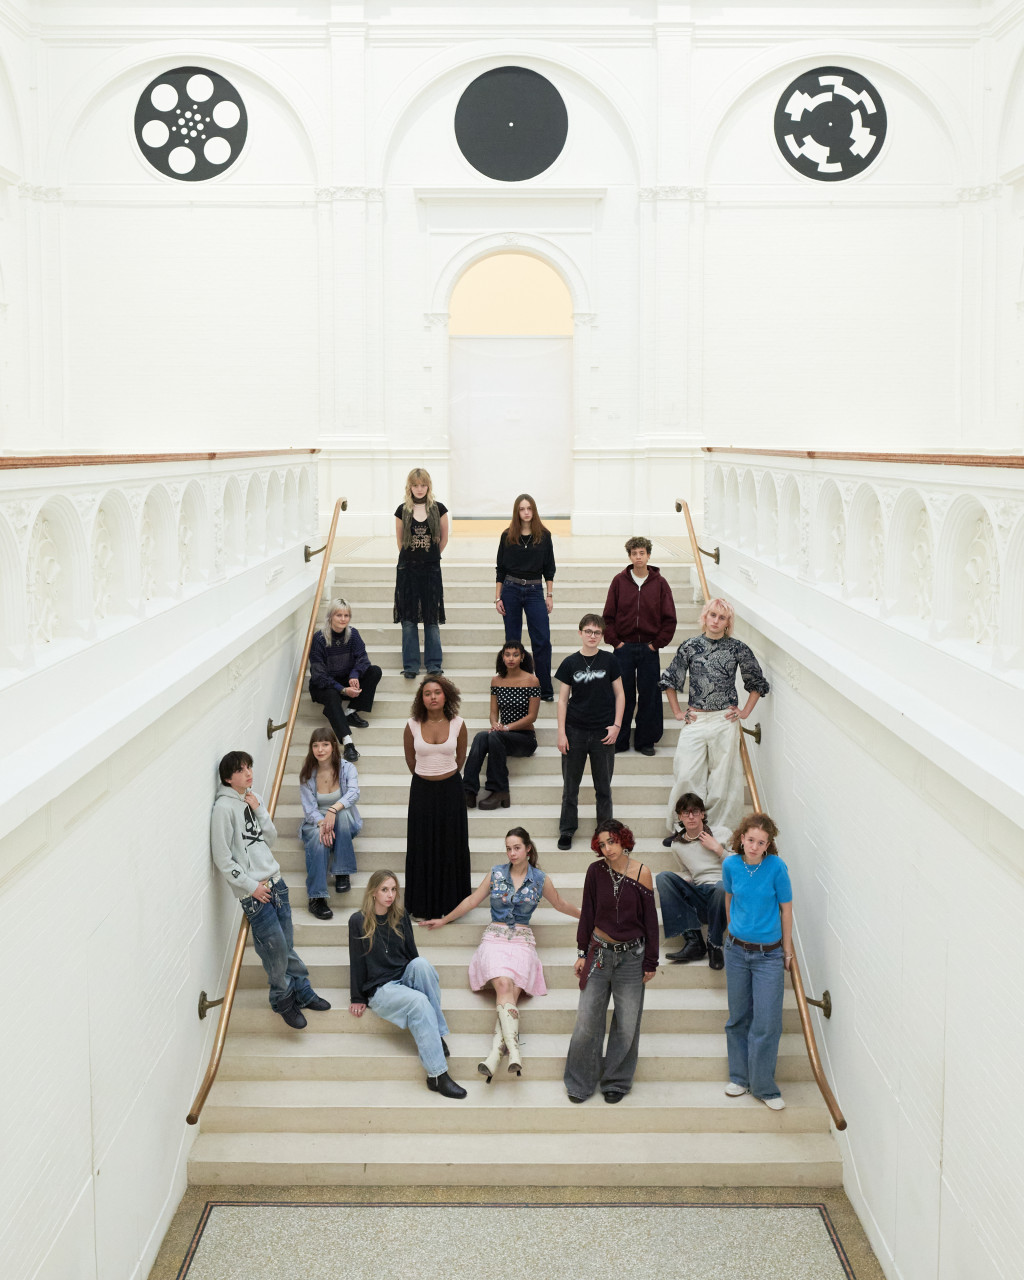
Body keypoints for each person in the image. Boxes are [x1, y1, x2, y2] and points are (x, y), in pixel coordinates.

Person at [422, 827, 580, 1080]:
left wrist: (589, 917)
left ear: (528, 848)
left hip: (522, 941)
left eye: (517, 847)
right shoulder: (496, 873)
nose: (512, 853)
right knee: (505, 984)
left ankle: (496, 1053)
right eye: (508, 848)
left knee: (507, 993)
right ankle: (514, 1051)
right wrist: (444, 920)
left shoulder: (539, 879)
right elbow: (473, 900)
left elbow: (560, 903)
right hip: (494, 938)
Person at [210, 750, 329, 1029]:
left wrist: (258, 809)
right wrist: (251, 887)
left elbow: (271, 839)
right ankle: (282, 999)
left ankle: (302, 990)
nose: (249, 772)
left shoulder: (254, 799)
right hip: (255, 892)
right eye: (241, 770)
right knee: (274, 949)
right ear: (228, 778)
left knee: (286, 944)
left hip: (276, 882)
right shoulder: (223, 810)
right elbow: (222, 858)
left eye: (249, 766)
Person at [349, 870, 467, 1098]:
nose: (390, 895)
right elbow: (356, 960)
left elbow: (413, 955)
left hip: (403, 975)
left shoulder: (400, 916)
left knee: (422, 964)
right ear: (373, 892)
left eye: (393, 889)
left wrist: (418, 974)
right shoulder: (358, 921)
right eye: (384, 890)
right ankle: (437, 1075)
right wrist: (357, 997)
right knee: (419, 1002)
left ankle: (436, 1034)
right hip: (382, 990)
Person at [564, 821, 659, 1104]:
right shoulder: (595, 871)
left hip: (632, 958)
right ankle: (580, 1081)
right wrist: (582, 952)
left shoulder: (642, 873)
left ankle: (616, 1081)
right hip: (599, 955)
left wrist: (650, 961)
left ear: (624, 840)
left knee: (627, 1023)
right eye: (602, 844)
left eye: (612, 842)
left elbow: (650, 922)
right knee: (586, 1021)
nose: (607, 849)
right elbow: (588, 913)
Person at [659, 597, 770, 835]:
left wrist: (745, 712)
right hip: (696, 720)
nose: (716, 621)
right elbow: (669, 679)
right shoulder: (690, 646)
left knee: (723, 782)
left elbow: (757, 682)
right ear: (705, 617)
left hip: (724, 720)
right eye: (712, 615)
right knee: (687, 775)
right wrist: (678, 712)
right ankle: (682, 829)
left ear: (728, 622)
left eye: (722, 617)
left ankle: (719, 832)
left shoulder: (738, 648)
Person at [722, 812, 793, 1111]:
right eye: (750, 840)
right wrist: (732, 931)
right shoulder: (730, 865)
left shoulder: (777, 868)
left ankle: (764, 1086)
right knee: (738, 1017)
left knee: (766, 1021)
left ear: (768, 845)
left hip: (769, 956)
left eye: (760, 842)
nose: (754, 846)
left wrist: (786, 952)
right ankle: (739, 1077)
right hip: (736, 952)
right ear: (742, 839)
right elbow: (729, 899)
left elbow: (786, 911)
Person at [554, 615, 625, 851]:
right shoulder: (569, 663)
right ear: (580, 633)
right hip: (574, 731)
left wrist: (616, 726)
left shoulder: (610, 661)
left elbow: (620, 695)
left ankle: (605, 833)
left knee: (603, 787)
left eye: (597, 632)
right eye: (588, 631)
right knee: (570, 787)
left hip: (603, 733)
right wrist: (561, 733)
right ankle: (566, 830)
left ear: (602, 635)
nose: (592, 636)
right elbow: (562, 700)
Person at [403, 675, 471, 918]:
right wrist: (427, 777)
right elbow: (411, 761)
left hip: (451, 790)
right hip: (422, 790)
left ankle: (452, 905)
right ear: (421, 698)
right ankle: (422, 905)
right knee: (422, 845)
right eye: (427, 693)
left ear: (446, 696)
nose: (433, 697)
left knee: (451, 845)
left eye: (437, 692)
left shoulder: (458, 723)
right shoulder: (411, 725)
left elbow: (460, 758)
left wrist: (444, 775)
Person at [602, 536, 677, 756]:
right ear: (630, 556)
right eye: (634, 553)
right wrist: (616, 642)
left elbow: (669, 619)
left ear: (649, 555)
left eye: (642, 553)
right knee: (621, 694)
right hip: (623, 649)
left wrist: (656, 645)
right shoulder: (619, 581)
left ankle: (646, 741)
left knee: (649, 695)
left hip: (648, 648)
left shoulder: (660, 583)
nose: (638, 557)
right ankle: (620, 739)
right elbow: (608, 616)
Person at [655, 792, 729, 969]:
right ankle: (694, 941)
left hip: (724, 895)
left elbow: (741, 867)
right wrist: (688, 880)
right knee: (663, 877)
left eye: (695, 812)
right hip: (700, 894)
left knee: (721, 887)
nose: (691, 817)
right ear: (679, 816)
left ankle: (715, 944)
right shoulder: (677, 845)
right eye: (685, 813)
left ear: (702, 814)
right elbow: (686, 870)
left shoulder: (722, 833)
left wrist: (718, 849)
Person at [463, 642, 540, 810]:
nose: (511, 658)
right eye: (507, 655)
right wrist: (495, 724)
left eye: (515, 655)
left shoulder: (532, 680)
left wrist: (506, 728)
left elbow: (532, 717)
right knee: (481, 737)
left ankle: (500, 790)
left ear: (522, 657)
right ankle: (468, 791)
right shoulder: (496, 680)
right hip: (501, 736)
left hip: (524, 738)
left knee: (494, 736)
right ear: (502, 657)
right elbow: (493, 712)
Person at [494, 494, 556, 701]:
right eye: (522, 509)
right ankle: (515, 684)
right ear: (517, 512)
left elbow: (549, 569)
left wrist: (549, 595)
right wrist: (497, 598)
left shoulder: (544, 536)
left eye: (529, 508)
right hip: (510, 589)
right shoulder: (507, 535)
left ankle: (544, 687)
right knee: (513, 642)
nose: (526, 512)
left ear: (534, 510)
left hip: (534, 590)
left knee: (542, 640)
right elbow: (500, 569)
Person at [307, 598, 382, 764]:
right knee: (333, 696)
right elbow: (319, 675)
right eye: (339, 615)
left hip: (346, 678)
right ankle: (348, 742)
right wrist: (342, 689)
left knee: (374, 671)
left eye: (346, 615)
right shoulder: (319, 638)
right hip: (324, 685)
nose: (343, 619)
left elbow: (363, 658)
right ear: (330, 617)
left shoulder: (352, 634)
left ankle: (350, 712)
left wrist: (354, 674)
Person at [298, 728, 362, 919]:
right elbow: (309, 809)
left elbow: (354, 793)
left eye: (325, 744)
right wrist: (322, 824)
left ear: (334, 746)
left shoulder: (347, 768)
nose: (320, 749)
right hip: (316, 821)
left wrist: (334, 809)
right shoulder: (307, 774)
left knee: (340, 816)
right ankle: (316, 898)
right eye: (316, 745)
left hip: (344, 818)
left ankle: (342, 871)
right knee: (318, 843)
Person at [394, 467, 449, 678]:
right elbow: (400, 542)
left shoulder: (439, 509)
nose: (419, 489)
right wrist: (413, 560)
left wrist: (429, 557)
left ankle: (434, 664)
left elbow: (443, 540)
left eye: (423, 485)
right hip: (407, 571)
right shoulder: (402, 510)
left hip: (431, 570)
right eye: (415, 485)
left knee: (431, 618)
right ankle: (411, 666)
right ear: (410, 487)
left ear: (428, 486)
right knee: (408, 620)